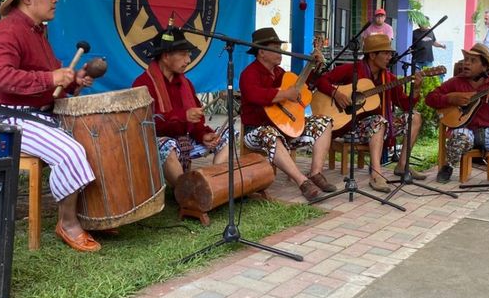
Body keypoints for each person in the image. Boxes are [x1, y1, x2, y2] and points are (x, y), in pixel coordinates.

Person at [0, 0, 101, 252]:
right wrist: (50, 77)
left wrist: (71, 80)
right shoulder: (3, 33)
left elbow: (49, 80)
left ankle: (95, 213)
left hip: (37, 115)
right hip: (8, 119)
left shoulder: (36, 32)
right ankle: (67, 223)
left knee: (96, 141)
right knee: (71, 152)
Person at [315, 34, 426, 190]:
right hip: (350, 126)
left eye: (390, 53)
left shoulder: (389, 78)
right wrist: (337, 94)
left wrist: (417, 88)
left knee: (414, 117)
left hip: (379, 126)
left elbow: (405, 105)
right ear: (373, 55)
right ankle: (376, 174)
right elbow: (320, 80)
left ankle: (402, 165)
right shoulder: (352, 70)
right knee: (378, 121)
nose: (390, 57)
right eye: (386, 53)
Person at [239, 27, 337, 201]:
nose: (280, 52)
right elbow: (256, 95)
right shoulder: (249, 74)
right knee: (269, 134)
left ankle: (315, 173)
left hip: (285, 128)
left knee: (325, 122)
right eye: (275, 48)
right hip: (256, 131)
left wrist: (314, 70)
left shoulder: (281, 73)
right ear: (262, 52)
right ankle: (303, 182)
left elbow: (303, 92)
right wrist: (285, 94)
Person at [132, 29, 231, 186]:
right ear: (165, 56)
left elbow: (197, 120)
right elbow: (145, 123)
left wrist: (203, 135)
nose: (188, 59)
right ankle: (186, 193)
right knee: (166, 145)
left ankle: (212, 184)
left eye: (188, 54)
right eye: (183, 54)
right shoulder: (142, 84)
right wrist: (182, 115)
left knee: (227, 134)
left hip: (184, 140)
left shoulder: (186, 83)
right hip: (154, 143)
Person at [425, 43, 489, 184]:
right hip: (464, 130)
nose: (466, 64)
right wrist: (450, 98)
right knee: (459, 137)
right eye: (465, 60)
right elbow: (430, 98)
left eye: (472, 60)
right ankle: (448, 167)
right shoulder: (455, 83)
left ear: (485, 66)